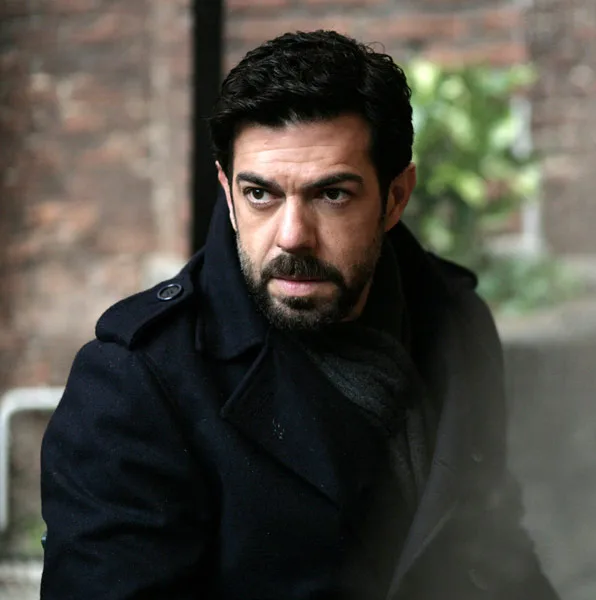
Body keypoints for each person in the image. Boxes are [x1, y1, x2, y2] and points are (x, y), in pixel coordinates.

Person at [40, 30, 560, 600]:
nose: (292, 236)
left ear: (395, 197)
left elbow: (495, 549)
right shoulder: (135, 382)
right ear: (228, 193)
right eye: (260, 194)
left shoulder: (456, 320)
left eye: (331, 195)